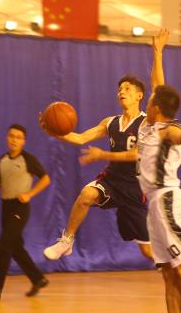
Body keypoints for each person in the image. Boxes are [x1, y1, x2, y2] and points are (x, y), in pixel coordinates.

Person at [79, 36, 181, 313]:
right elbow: (159, 82)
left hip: (169, 199)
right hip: (154, 204)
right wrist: (157, 52)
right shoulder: (147, 125)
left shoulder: (168, 129)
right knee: (168, 270)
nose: (151, 97)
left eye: (153, 98)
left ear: (155, 106)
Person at [41, 29, 172, 262]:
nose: (122, 91)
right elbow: (80, 138)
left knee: (148, 252)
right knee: (86, 195)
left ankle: (174, 266)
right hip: (112, 180)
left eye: (127, 88)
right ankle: (66, 241)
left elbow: (159, 90)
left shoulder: (147, 122)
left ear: (140, 95)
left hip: (136, 188)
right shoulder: (110, 122)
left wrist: (157, 52)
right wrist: (55, 131)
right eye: (120, 89)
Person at [0, 124, 51, 299]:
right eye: (11, 136)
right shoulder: (2, 159)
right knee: (15, 247)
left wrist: (29, 194)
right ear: (7, 138)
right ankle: (38, 279)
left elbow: (46, 179)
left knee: (4, 244)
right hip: (6, 207)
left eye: (18, 137)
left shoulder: (28, 159)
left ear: (23, 142)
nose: (14, 140)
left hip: (20, 207)